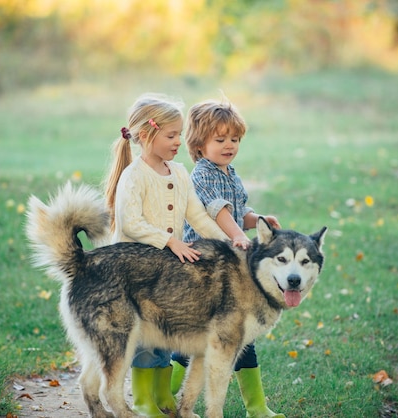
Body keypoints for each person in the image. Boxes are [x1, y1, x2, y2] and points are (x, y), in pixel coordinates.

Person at [103, 93, 229, 418]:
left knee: (164, 334)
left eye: (180, 135)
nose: (178, 142)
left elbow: (198, 216)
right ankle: (144, 400)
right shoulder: (134, 175)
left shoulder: (179, 173)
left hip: (165, 278)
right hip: (133, 276)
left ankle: (163, 399)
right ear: (146, 135)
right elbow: (131, 223)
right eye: (172, 135)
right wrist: (170, 241)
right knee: (143, 338)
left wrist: (228, 242)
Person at [170, 98, 284, 418]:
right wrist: (236, 235)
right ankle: (167, 392)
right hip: (202, 267)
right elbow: (217, 210)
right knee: (194, 335)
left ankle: (257, 406)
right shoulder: (202, 174)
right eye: (219, 140)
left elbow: (238, 209)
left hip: (230, 269)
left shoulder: (230, 172)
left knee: (241, 333)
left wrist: (257, 220)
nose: (228, 145)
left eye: (234, 139)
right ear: (199, 144)